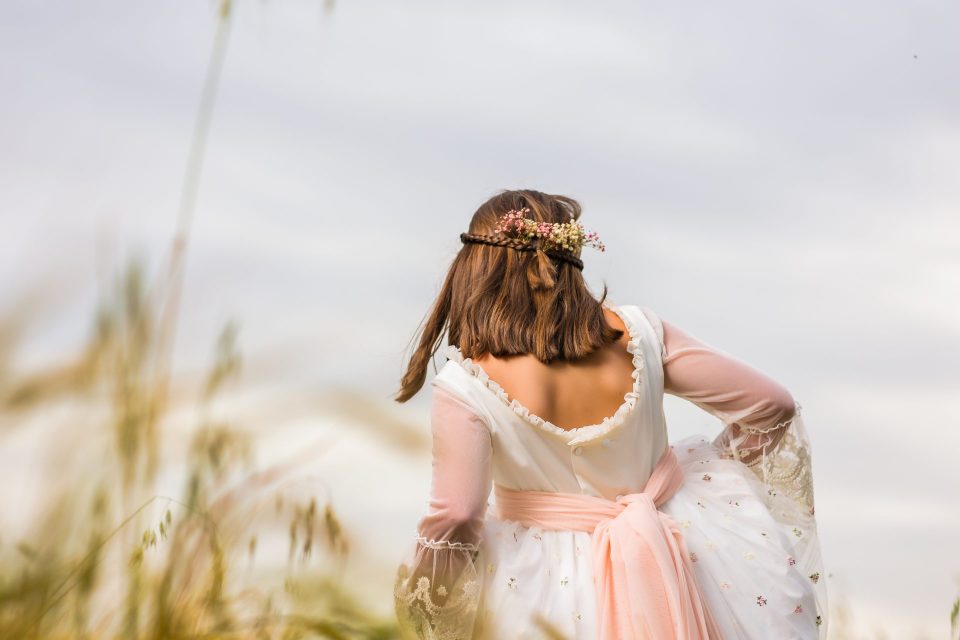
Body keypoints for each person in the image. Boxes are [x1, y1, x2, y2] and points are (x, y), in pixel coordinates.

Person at [392, 189, 828, 639]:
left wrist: (429, 607)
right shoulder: (641, 332)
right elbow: (773, 405)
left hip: (547, 591)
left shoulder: (465, 386)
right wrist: (703, 476)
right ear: (570, 261)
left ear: (477, 267)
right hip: (680, 544)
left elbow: (459, 514)